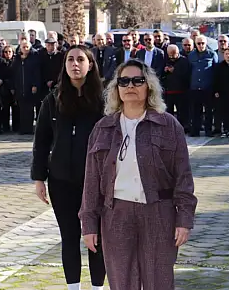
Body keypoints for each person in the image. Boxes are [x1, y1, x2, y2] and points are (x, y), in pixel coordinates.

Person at [79, 59, 197, 290]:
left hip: (158, 213)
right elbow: (91, 181)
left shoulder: (168, 125)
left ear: (149, 86)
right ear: (116, 89)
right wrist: (89, 224)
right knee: (122, 282)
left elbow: (183, 177)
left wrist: (184, 219)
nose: (130, 86)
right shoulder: (103, 128)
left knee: (159, 282)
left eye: (137, 80)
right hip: (116, 215)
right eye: (124, 81)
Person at [33, 45, 106, 290]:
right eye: (70, 60)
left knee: (96, 237)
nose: (75, 64)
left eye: (80, 60)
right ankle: (73, 286)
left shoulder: (104, 100)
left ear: (90, 65)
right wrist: (39, 178)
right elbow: (42, 140)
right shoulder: (53, 100)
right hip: (61, 179)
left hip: (96, 180)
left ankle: (97, 286)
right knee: (69, 237)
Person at [12, 40, 41, 134]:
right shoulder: (17, 59)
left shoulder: (34, 58)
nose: (25, 49)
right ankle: (22, 128)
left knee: (29, 109)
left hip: (30, 86)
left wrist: (35, 85)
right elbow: (13, 73)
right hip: (20, 87)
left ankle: (29, 128)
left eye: (27, 47)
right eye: (23, 47)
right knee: (21, 108)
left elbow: (37, 73)